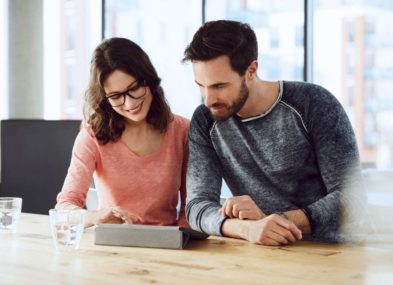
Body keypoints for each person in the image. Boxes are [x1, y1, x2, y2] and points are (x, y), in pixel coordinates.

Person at [182, 20, 369, 245]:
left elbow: (351, 198)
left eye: (219, 86)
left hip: (335, 252)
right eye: (200, 85)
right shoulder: (205, 121)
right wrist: (246, 229)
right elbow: (197, 207)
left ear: (251, 70)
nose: (208, 99)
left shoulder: (313, 103)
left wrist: (275, 220)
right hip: (266, 254)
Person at [56, 37, 189, 228]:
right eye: (116, 96)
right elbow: (65, 207)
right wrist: (95, 217)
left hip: (168, 245)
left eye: (134, 88)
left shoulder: (182, 131)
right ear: (104, 98)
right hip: (113, 246)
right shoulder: (93, 134)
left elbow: (190, 209)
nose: (130, 104)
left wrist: (182, 241)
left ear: (149, 80)